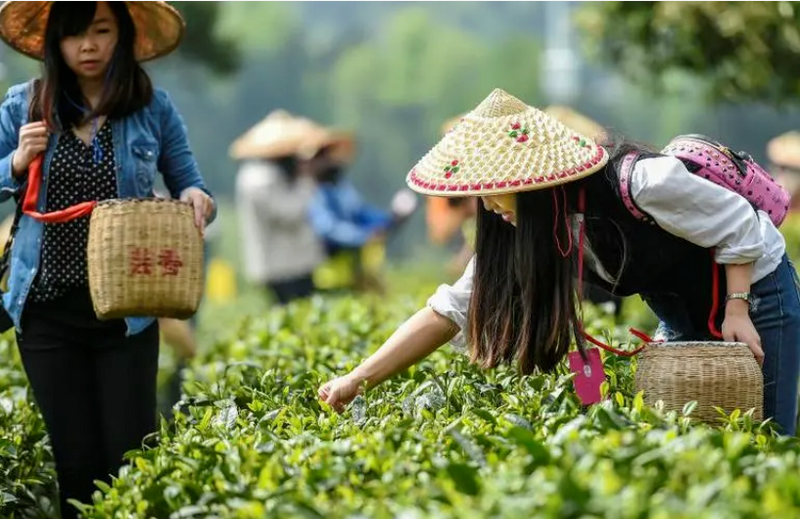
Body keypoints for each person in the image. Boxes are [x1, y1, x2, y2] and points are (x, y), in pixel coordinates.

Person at [318, 88, 800, 436]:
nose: (485, 205)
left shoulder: (644, 184)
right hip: (680, 310)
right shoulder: (525, 229)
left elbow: (745, 225)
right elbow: (448, 311)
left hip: (757, 294)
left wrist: (738, 306)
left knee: (767, 436)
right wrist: (356, 379)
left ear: (530, 181)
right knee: (690, 437)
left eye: (492, 190)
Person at [0, 3, 215, 517]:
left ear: (122, 36)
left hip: (127, 313)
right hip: (46, 310)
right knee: (75, 464)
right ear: (55, 42)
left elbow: (188, 177)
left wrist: (195, 196)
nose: (88, 46)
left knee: (131, 457)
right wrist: (16, 160)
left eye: (101, 31)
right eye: (75, 35)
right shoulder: (22, 105)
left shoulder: (152, 108)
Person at [232, 110, 327, 305]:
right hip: (281, 266)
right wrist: (306, 181)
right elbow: (289, 214)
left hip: (294, 262)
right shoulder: (259, 179)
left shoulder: (270, 175)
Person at [308, 134, 415, 293]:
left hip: (353, 265)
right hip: (325, 267)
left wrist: (389, 220)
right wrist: (363, 237)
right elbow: (327, 228)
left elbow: (359, 212)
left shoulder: (340, 185)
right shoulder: (310, 190)